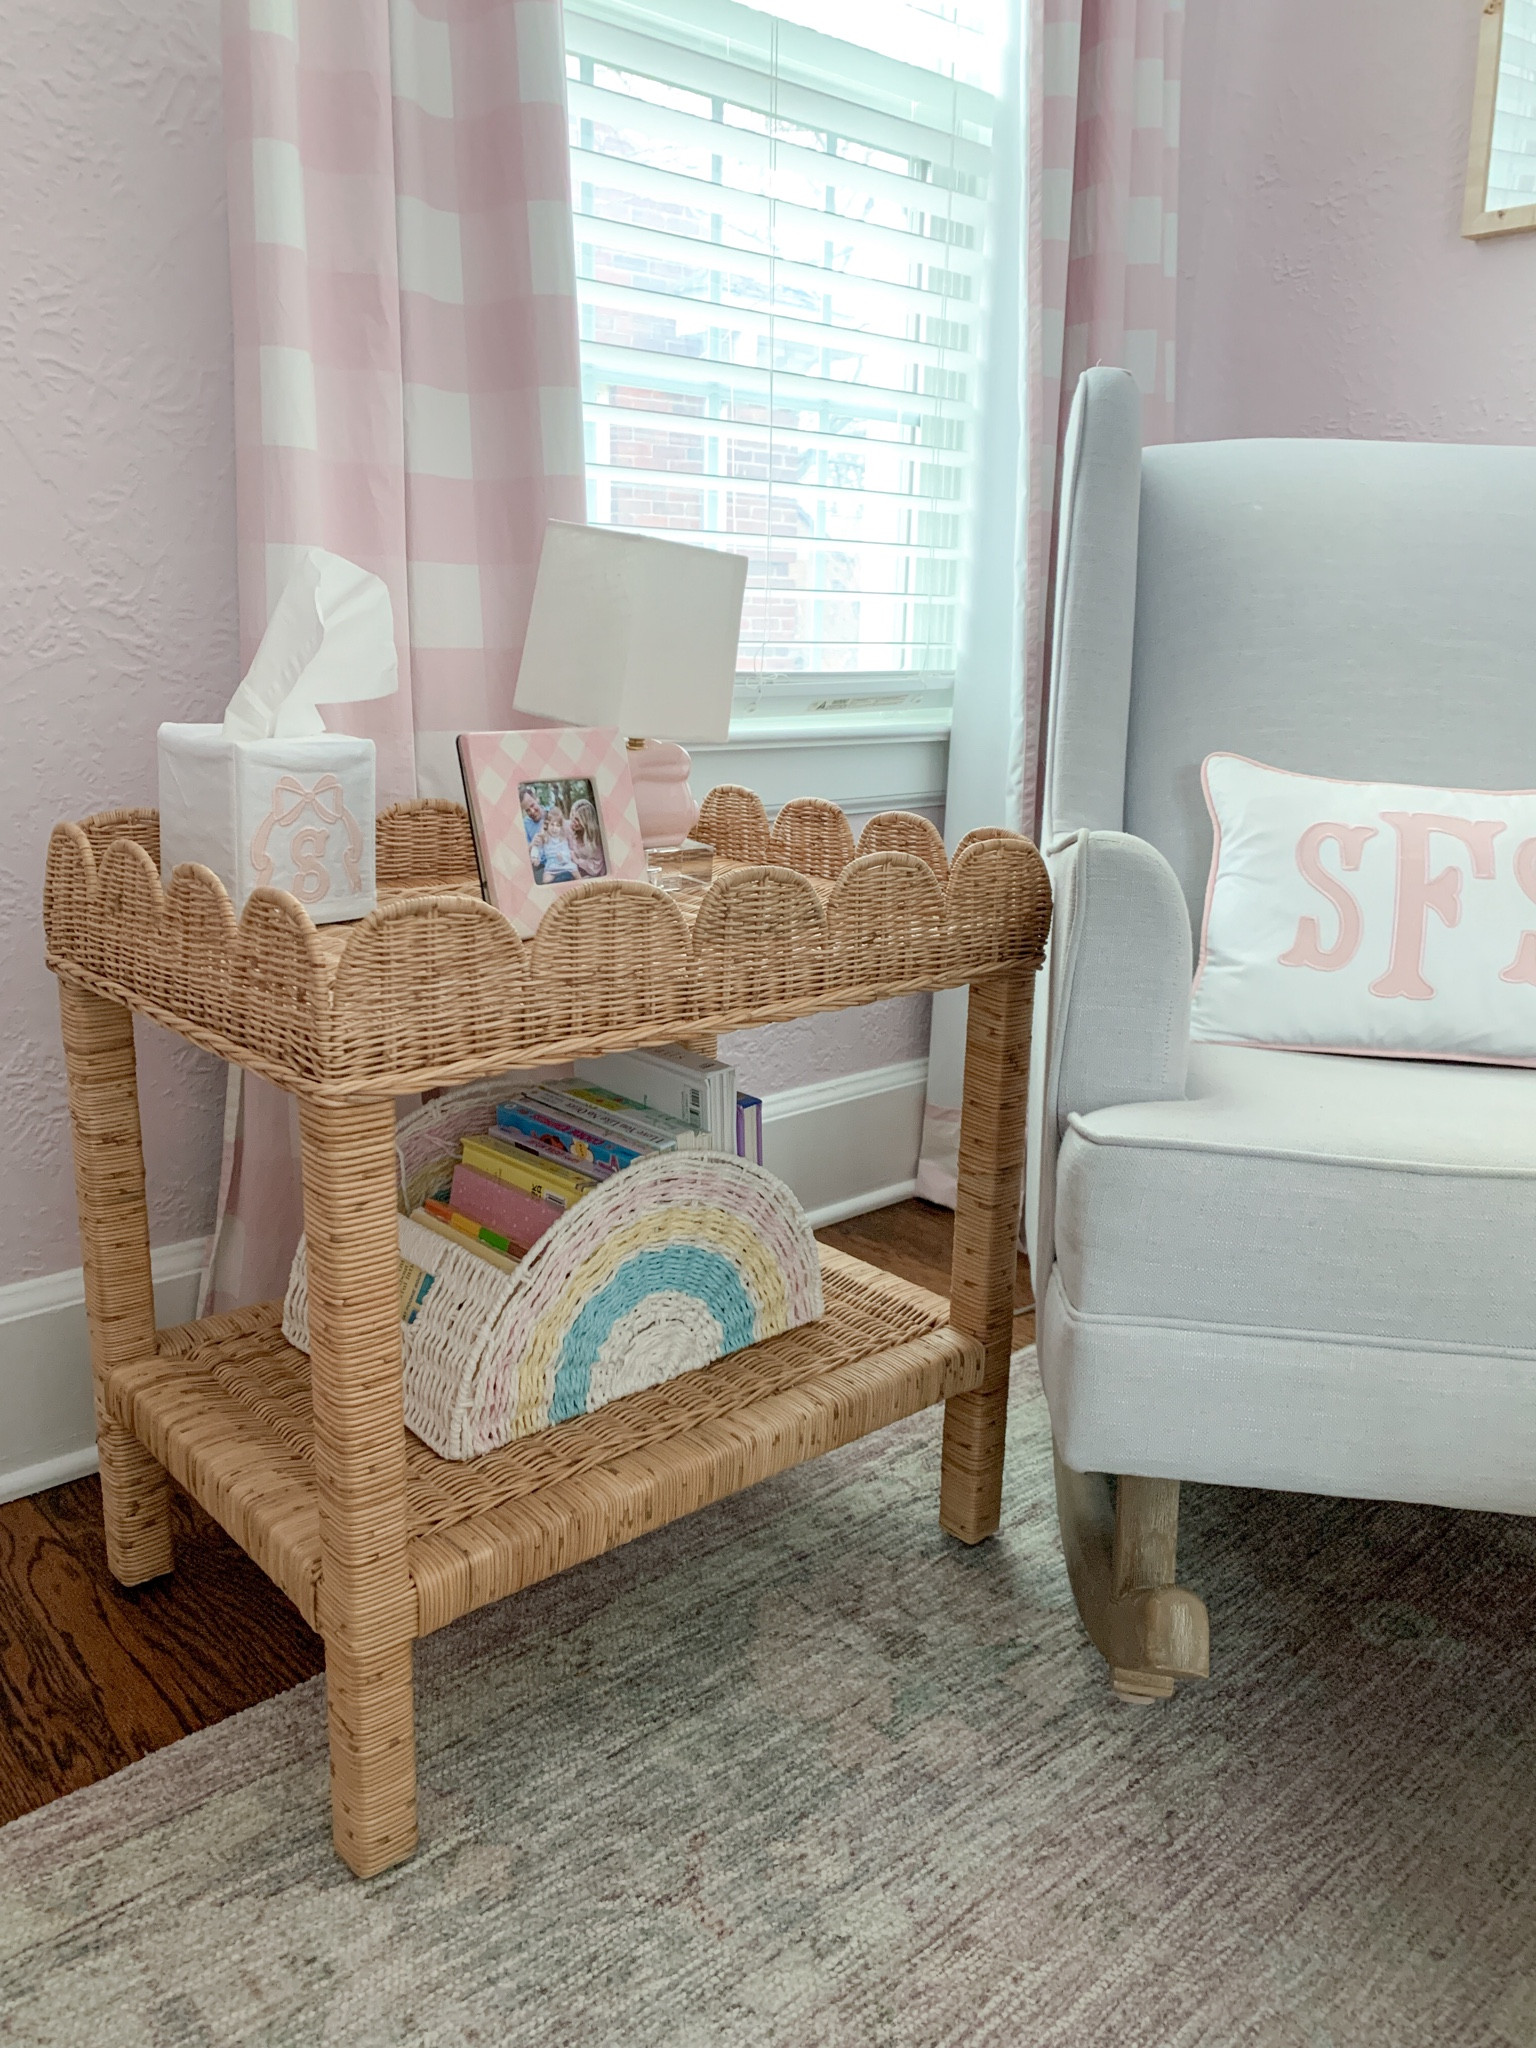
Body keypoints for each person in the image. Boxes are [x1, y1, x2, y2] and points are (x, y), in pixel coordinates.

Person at [529, 802, 579, 883]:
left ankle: (582, 884)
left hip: (565, 864)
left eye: (557, 825)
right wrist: (535, 857)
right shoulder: (545, 837)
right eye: (552, 825)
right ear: (547, 824)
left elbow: (567, 852)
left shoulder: (562, 838)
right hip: (551, 866)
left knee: (576, 872)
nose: (554, 828)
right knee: (545, 880)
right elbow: (538, 848)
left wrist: (562, 856)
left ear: (561, 827)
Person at [569, 797, 606, 878]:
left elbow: (595, 868)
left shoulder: (595, 837)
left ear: (585, 821)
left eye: (577, 819)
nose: (574, 822)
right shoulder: (573, 833)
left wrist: (576, 860)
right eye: (573, 817)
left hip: (596, 876)